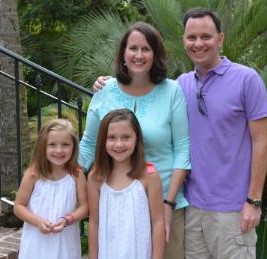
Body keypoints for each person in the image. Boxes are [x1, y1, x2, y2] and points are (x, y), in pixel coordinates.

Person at [94, 8, 267, 259]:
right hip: (192, 207)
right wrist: (107, 82)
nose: (198, 43)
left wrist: (254, 201)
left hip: (232, 211)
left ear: (221, 39)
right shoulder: (179, 86)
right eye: (191, 37)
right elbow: (142, 88)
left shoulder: (246, 80)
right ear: (184, 41)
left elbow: (261, 141)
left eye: (206, 36)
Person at [79, 22, 190, 259]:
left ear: (155, 54)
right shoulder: (104, 90)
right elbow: (88, 144)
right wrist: (65, 177)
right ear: (123, 54)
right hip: (116, 205)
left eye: (146, 49)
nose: (139, 55)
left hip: (165, 202)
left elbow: (182, 149)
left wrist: (168, 204)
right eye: (133, 48)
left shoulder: (173, 91)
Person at [87, 109, 165, 259]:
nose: (119, 144)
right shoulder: (95, 177)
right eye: (112, 138)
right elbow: (94, 222)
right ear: (103, 141)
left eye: (126, 137)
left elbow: (158, 222)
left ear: (137, 139)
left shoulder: (150, 177)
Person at [14, 119, 88, 259]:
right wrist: (38, 221)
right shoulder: (33, 175)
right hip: (37, 242)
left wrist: (67, 219)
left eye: (65, 145)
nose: (59, 150)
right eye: (52, 145)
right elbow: (18, 206)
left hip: (65, 241)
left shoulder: (76, 175)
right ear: (43, 147)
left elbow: (85, 207)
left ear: (74, 147)